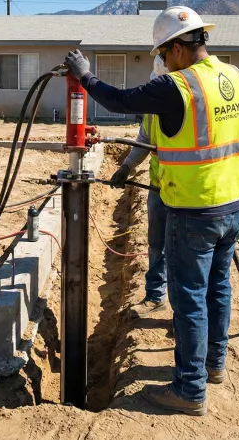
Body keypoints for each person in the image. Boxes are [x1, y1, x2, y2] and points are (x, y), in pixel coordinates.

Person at [64, 6, 239, 416]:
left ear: (179, 49)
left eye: (163, 55)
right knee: (219, 287)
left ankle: (189, 391)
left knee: (189, 299)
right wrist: (129, 165)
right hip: (234, 204)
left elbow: (119, 100)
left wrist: (85, 76)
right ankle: (214, 365)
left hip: (194, 209)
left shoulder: (177, 86)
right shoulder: (237, 78)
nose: (162, 63)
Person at [109, 56, 168, 318]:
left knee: (185, 256)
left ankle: (187, 314)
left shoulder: (188, 105)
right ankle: (155, 296)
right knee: (156, 245)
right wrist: (126, 168)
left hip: (188, 193)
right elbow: (144, 139)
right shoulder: (154, 110)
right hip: (160, 187)